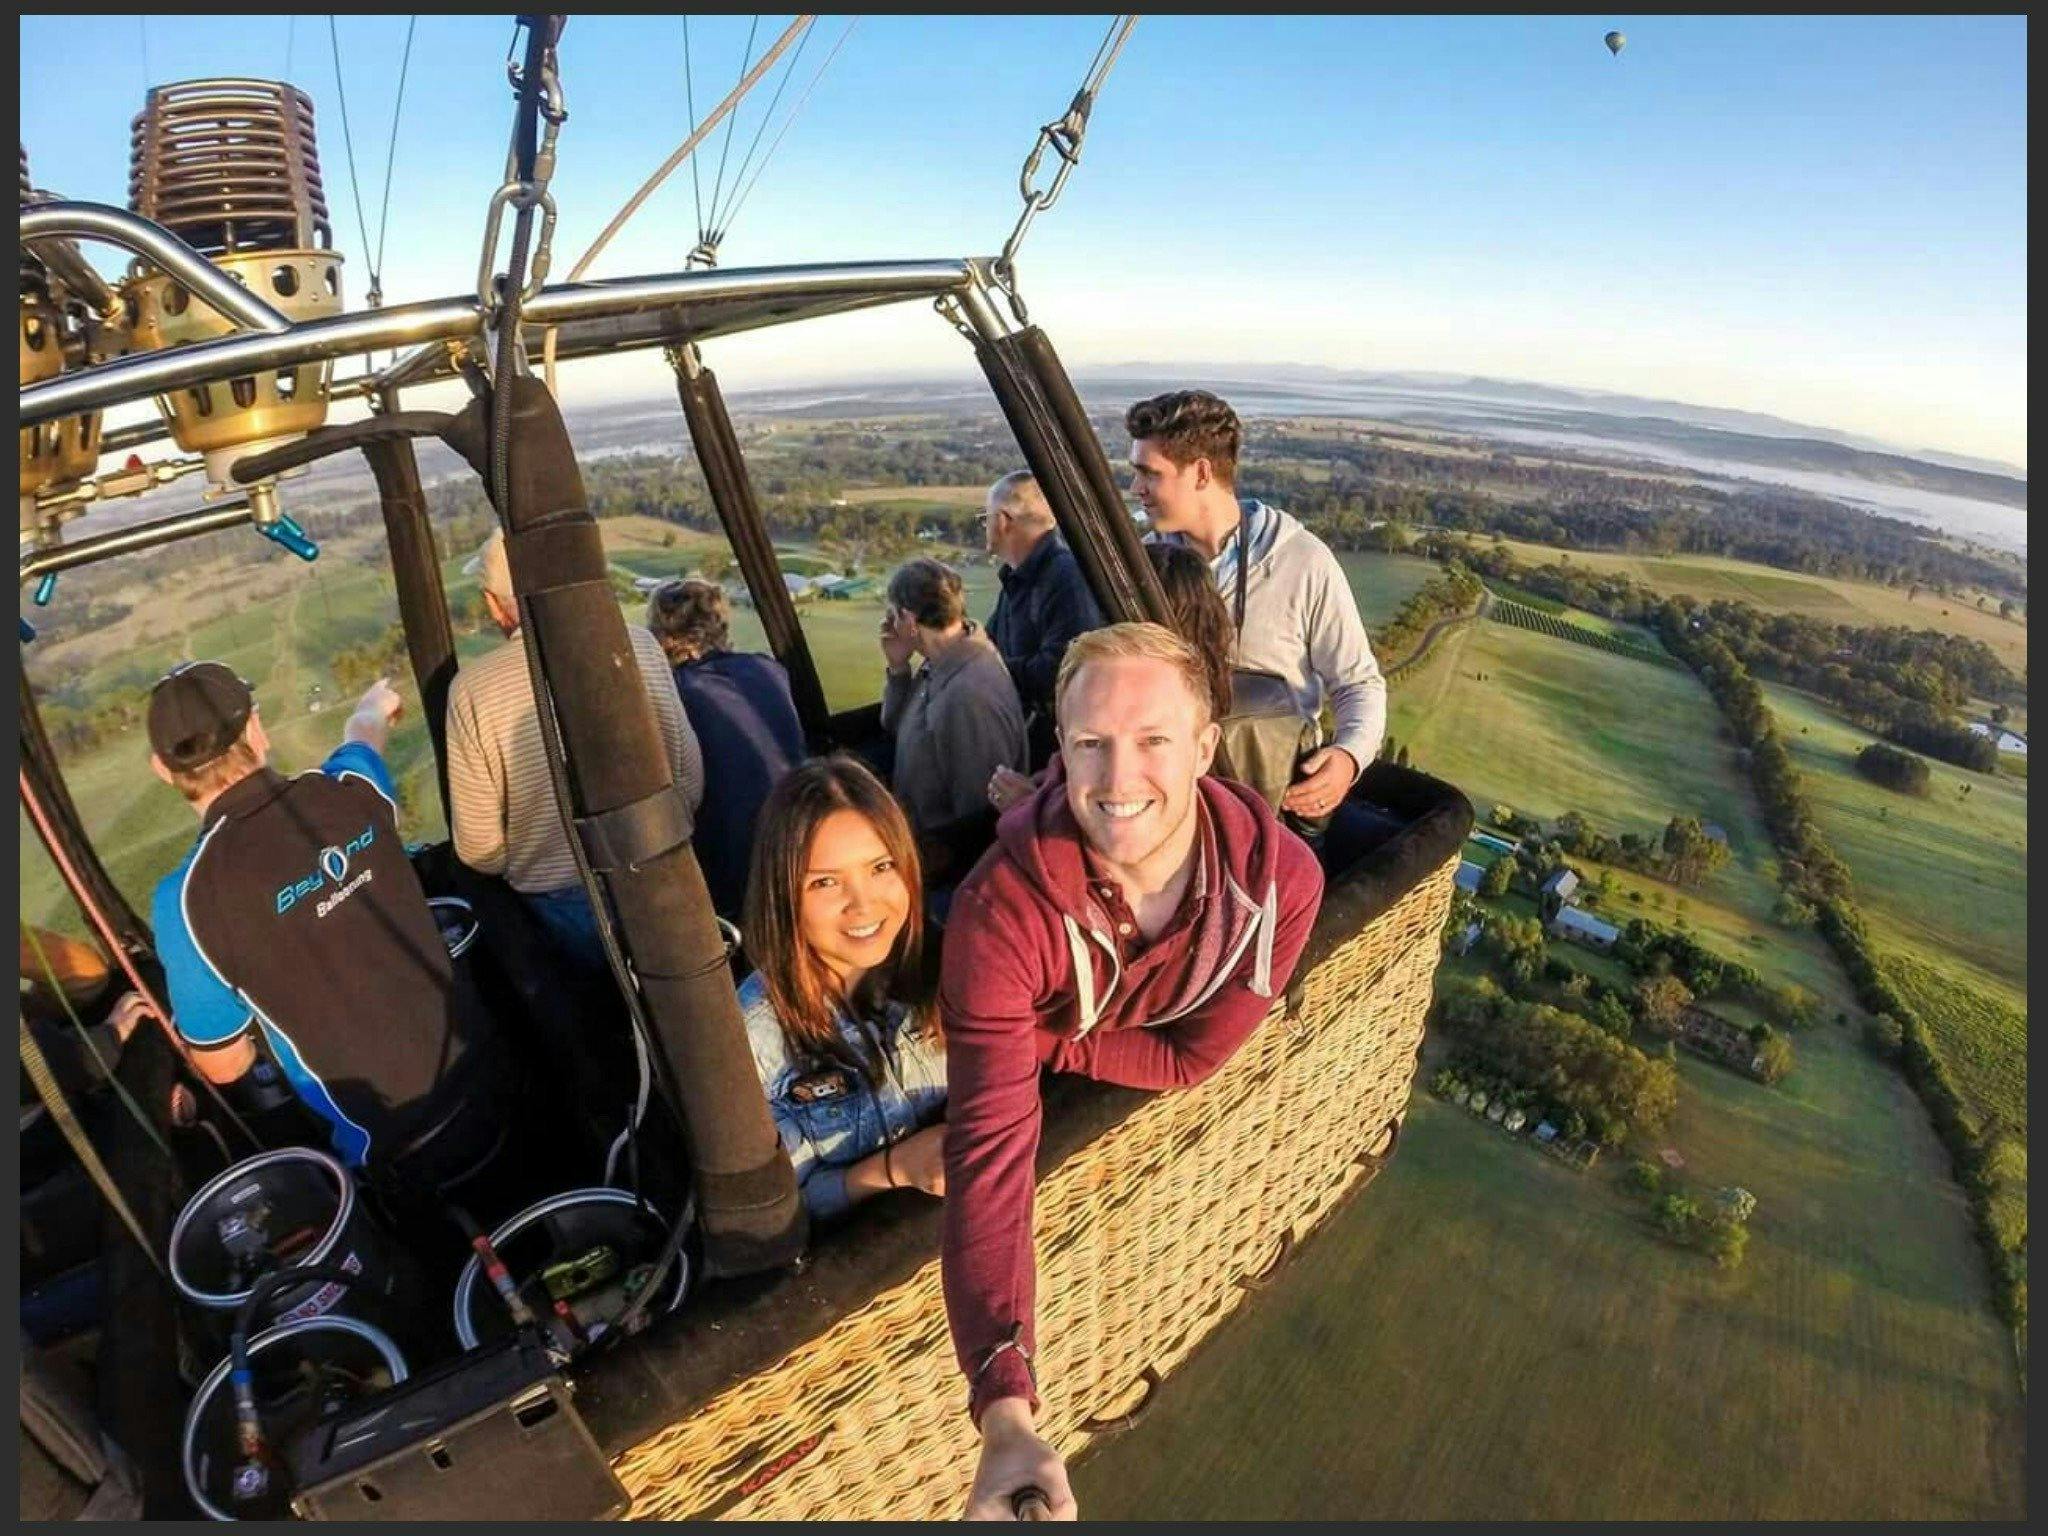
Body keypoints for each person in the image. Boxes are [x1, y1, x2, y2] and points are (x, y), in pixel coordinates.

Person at [939, 623, 1326, 1520]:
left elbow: (1195, 1057)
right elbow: (991, 1154)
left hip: (1046, 1039)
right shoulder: (1001, 915)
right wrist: (1005, 1413)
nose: (1117, 781)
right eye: (1090, 745)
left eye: (1152, 741)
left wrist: (1045, 1042)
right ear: (1060, 751)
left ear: (1204, 747)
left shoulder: (1279, 889)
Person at [147, 663, 502, 1183]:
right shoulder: (349, 789)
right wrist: (373, 706)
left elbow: (225, 1065)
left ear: (162, 768)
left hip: (392, 1152)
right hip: (490, 1072)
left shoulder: (184, 903)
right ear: (255, 731)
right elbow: (365, 738)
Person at [446, 528, 705, 973]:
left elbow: (478, 848)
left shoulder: (471, 691)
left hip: (562, 902)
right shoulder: (638, 645)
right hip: (663, 867)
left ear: (494, 604)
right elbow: (689, 780)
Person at [1130, 389, 1386, 825]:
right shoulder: (1144, 565)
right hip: (1175, 805)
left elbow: (1358, 683)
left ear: (1201, 472)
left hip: (1273, 809)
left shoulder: (1302, 561)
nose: (1137, 489)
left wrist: (1347, 757)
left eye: (1149, 474)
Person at [737, 756, 947, 1221]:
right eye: (826, 882)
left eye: (881, 867)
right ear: (782, 894)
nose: (864, 903)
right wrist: (894, 1168)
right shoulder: (751, 1041)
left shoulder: (949, 967)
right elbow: (774, 1215)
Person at [983, 543, 1308, 816]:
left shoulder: (1120, 714)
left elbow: (1129, 825)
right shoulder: (1277, 696)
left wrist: (1029, 808)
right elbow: (1311, 814)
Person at [647, 577, 806, 918]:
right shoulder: (769, 669)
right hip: (798, 837)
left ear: (662, 637)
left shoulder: (676, 693)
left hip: (733, 865)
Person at [879, 557, 1028, 883]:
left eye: (893, 614)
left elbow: (977, 818)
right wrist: (898, 669)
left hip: (946, 868)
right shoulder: (940, 661)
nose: (889, 623)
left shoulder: (968, 695)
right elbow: (895, 726)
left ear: (910, 619)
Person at [981, 470, 1103, 763]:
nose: (984, 526)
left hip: (1051, 753)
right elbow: (987, 644)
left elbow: (1063, 669)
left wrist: (992, 673)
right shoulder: (1017, 578)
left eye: (985, 518)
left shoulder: (1065, 578)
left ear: (1002, 522)